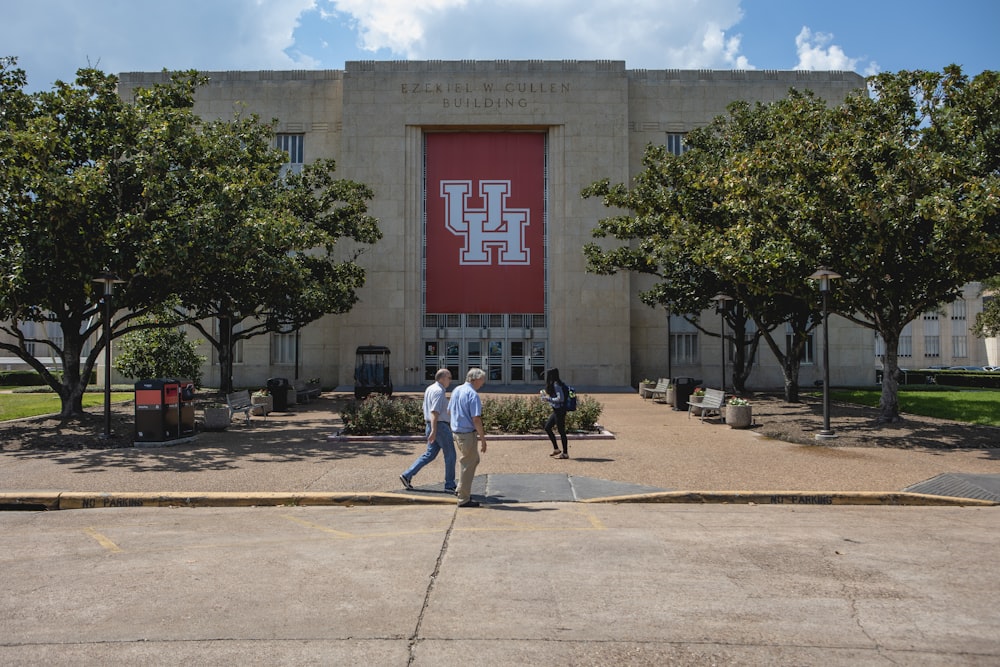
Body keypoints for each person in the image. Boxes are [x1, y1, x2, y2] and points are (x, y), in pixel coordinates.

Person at [399, 369, 455, 493]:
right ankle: (449, 484)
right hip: (439, 426)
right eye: (449, 377)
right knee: (450, 455)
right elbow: (434, 412)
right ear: (442, 378)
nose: (450, 380)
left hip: (431, 425)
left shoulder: (430, 388)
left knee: (430, 454)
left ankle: (407, 475)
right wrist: (434, 430)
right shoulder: (439, 391)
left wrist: (432, 429)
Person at [449, 367, 488, 507]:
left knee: (472, 460)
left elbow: (449, 410)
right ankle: (463, 498)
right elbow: (476, 419)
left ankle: (460, 489)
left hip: (458, 432)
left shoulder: (457, 390)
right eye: (482, 379)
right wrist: (483, 439)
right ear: (475, 379)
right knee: (468, 464)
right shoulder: (473, 394)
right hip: (467, 433)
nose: (483, 382)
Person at [540, 367, 569, 459]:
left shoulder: (556, 385)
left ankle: (565, 453)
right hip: (557, 410)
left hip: (559, 411)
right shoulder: (557, 384)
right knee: (547, 427)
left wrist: (548, 399)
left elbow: (560, 399)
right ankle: (556, 449)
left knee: (561, 431)